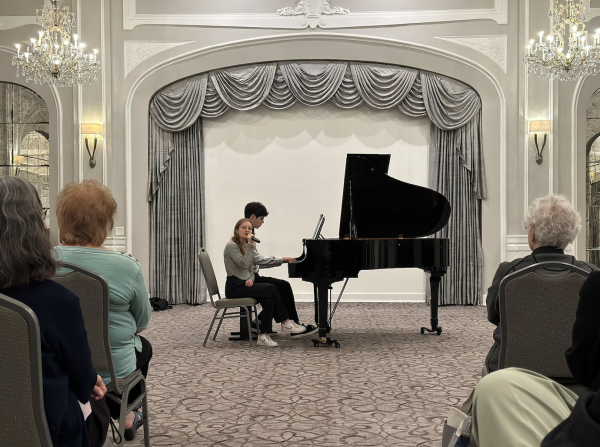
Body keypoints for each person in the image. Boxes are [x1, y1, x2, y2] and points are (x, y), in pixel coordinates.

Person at [0, 176, 110, 447]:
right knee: (99, 412)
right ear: (35, 228)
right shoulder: (59, 302)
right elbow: (84, 385)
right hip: (44, 432)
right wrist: (89, 378)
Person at [54, 180, 152, 441]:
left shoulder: (43, 261)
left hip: (59, 366)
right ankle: (126, 413)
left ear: (62, 219)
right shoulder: (127, 267)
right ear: (106, 222)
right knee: (144, 346)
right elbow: (143, 320)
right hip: (111, 371)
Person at [471, 269, 600, 447]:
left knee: (493, 386)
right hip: (580, 393)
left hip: (586, 417)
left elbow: (493, 314)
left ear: (532, 239)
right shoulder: (586, 270)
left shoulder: (509, 271)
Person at [484, 194, 596, 374]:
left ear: (533, 233)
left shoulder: (508, 272)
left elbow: (494, 316)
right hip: (576, 374)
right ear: (570, 234)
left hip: (511, 373)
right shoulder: (591, 275)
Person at [224, 219, 307, 347]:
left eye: (249, 228)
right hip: (234, 287)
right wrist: (251, 246)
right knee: (272, 288)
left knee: (269, 299)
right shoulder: (232, 246)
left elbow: (250, 268)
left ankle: (263, 335)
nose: (247, 230)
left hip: (244, 283)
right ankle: (285, 322)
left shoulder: (246, 245)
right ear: (236, 230)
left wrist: (250, 279)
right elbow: (244, 263)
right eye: (243, 228)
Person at [244, 201, 317, 338]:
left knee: (283, 286)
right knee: (280, 287)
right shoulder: (246, 233)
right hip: (249, 279)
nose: (263, 222)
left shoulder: (247, 232)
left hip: (253, 275)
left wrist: (279, 261)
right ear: (253, 217)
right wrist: (282, 260)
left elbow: (256, 261)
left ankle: (259, 322)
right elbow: (257, 260)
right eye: (261, 218)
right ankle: (291, 324)